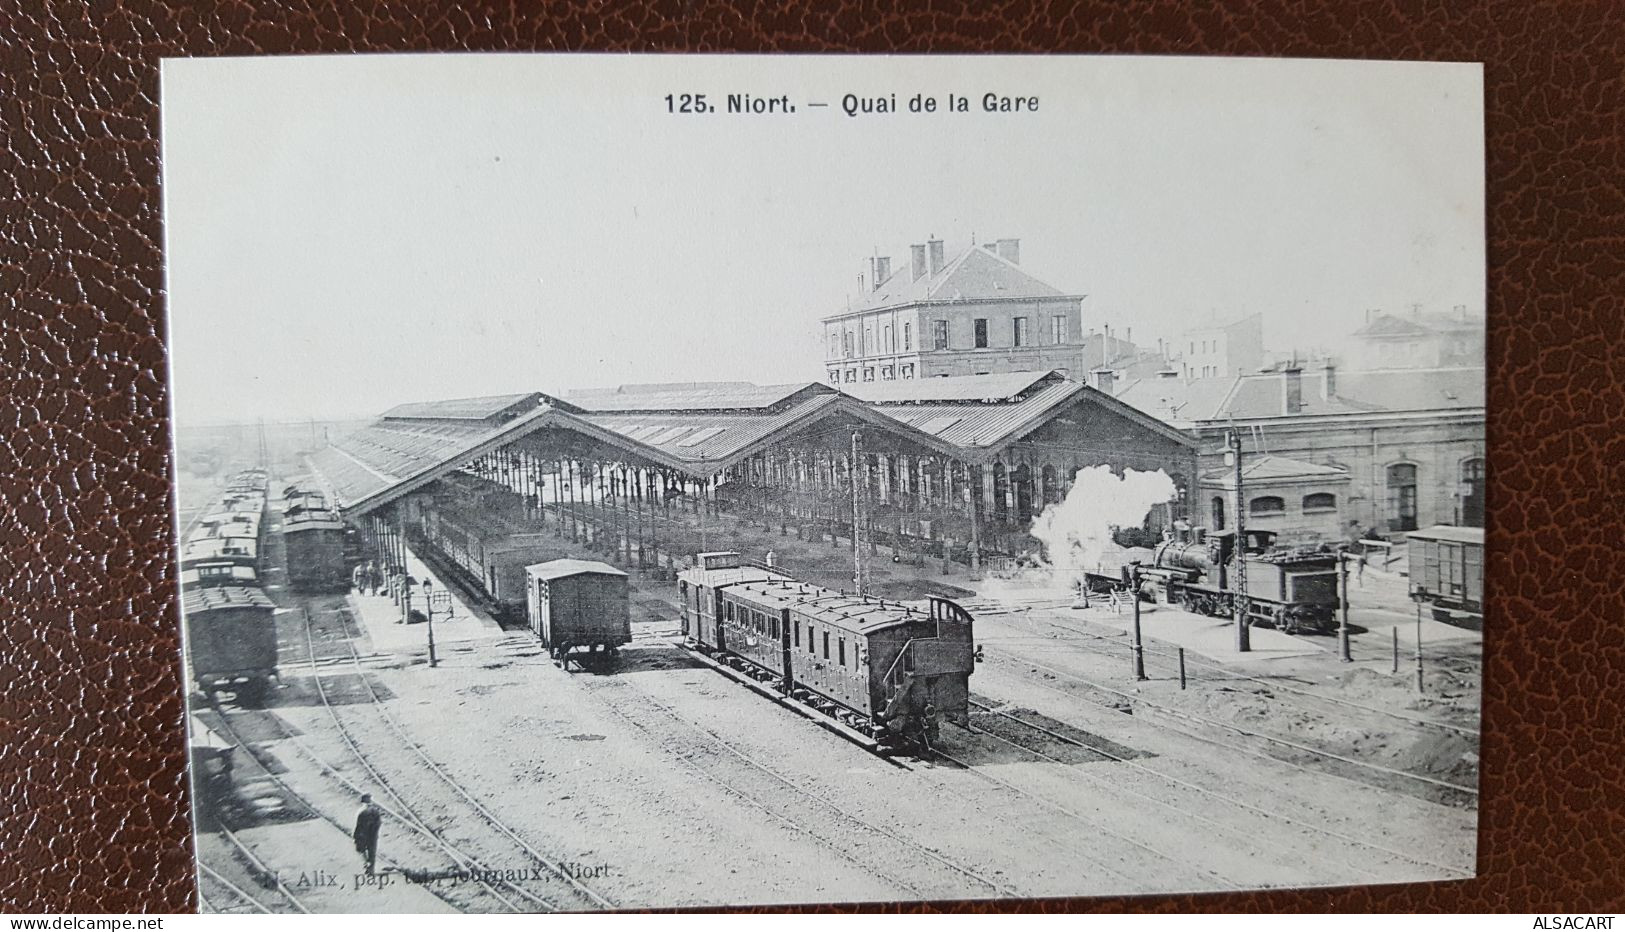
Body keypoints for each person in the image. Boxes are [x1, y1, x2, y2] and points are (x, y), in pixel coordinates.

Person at [353, 794, 382, 875]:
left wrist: (355, 835)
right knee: (372, 852)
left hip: (362, 835)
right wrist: (375, 832)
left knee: (361, 850)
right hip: (373, 835)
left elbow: (358, 825)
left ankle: (366, 864)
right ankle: (371, 869)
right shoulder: (375, 811)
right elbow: (378, 823)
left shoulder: (361, 811)